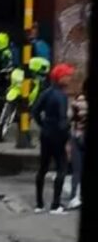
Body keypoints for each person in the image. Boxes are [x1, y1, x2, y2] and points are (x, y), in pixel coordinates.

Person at [31, 63, 75, 214]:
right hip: (58, 135)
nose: (69, 78)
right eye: (67, 76)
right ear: (60, 77)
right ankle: (55, 205)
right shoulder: (62, 96)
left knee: (42, 168)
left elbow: (35, 111)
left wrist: (43, 125)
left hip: (46, 134)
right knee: (62, 167)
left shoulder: (46, 92)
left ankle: (39, 203)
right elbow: (63, 121)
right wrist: (68, 139)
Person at [68, 90, 87, 210]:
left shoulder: (73, 108)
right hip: (77, 139)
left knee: (77, 172)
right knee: (77, 172)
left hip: (77, 138)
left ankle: (74, 197)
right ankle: (75, 197)